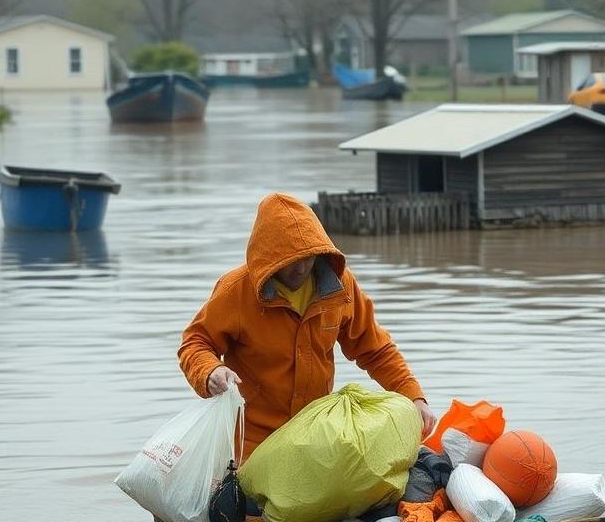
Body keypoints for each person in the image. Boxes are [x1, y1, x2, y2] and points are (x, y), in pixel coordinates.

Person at [178, 192, 436, 462]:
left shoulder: (340, 286)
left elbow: (375, 350)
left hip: (316, 435)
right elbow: (195, 343)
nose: (301, 268)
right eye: (290, 261)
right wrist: (210, 371)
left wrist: (413, 397)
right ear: (268, 259)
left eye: (309, 257)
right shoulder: (235, 292)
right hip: (252, 444)